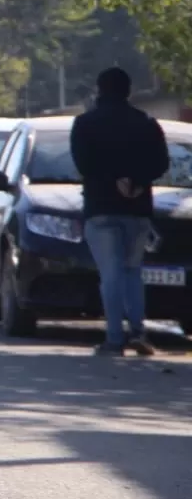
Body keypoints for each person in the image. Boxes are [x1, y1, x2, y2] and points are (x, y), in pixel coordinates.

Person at [70, 67, 170, 357]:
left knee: (110, 274)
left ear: (99, 90)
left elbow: (84, 164)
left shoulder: (86, 124)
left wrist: (114, 180)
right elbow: (161, 162)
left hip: (101, 208)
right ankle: (138, 331)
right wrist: (135, 181)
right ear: (129, 91)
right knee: (132, 271)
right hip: (137, 210)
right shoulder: (146, 123)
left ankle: (115, 338)